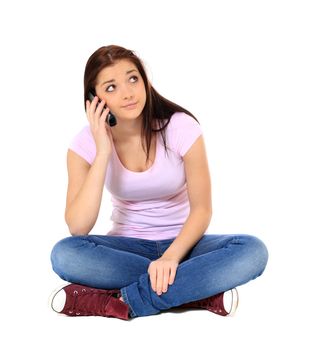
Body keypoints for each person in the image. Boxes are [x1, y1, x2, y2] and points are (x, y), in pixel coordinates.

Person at [49, 45, 269, 321]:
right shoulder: (83, 145)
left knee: (252, 251)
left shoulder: (180, 127)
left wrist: (171, 258)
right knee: (65, 254)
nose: (128, 92)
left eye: (133, 79)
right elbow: (78, 227)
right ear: (94, 99)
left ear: (145, 81)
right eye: (111, 87)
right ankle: (198, 291)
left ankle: (122, 301)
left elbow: (202, 209)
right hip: (125, 250)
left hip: (186, 246)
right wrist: (103, 150)